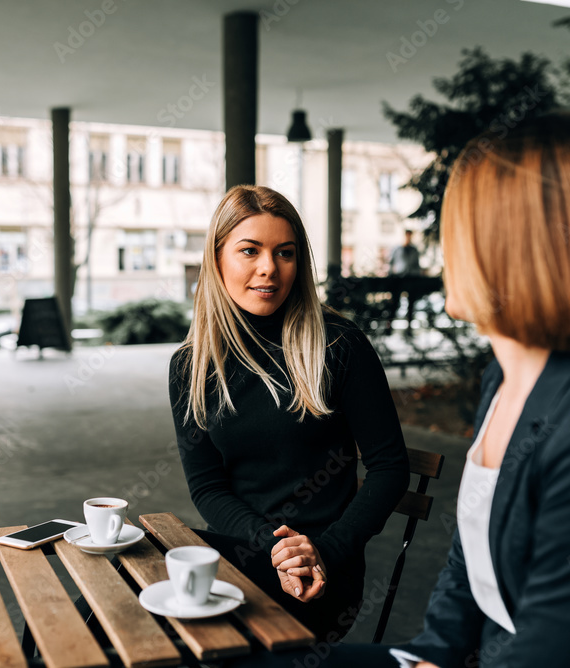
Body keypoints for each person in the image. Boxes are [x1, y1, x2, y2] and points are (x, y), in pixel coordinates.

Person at [227, 112, 570, 666]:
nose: (444, 248)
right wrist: (434, 651)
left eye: (458, 225)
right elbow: (469, 566)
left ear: (519, 249)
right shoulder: (506, 379)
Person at [168, 184, 410, 641]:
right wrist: (273, 547)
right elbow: (207, 485)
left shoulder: (338, 345)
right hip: (246, 551)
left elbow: (389, 467)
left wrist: (325, 551)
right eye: (249, 250)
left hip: (323, 572)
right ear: (217, 258)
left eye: (285, 253)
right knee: (112, 595)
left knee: (178, 630)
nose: (269, 269)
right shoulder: (192, 364)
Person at [389, 230, 423, 328]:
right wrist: (392, 275)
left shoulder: (414, 250)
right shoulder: (397, 249)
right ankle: (389, 326)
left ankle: (409, 326)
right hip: (398, 278)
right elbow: (391, 263)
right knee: (395, 302)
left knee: (411, 303)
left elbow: (417, 264)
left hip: (411, 278)